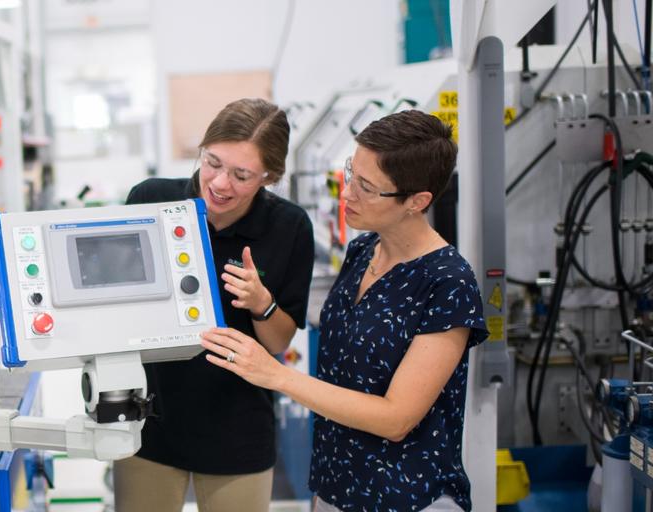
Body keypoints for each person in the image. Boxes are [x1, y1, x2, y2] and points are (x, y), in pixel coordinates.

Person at [200, 110, 486, 512]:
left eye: (367, 187)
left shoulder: (447, 283)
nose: (347, 193)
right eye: (351, 173)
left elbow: (396, 418)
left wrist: (275, 374)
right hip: (336, 488)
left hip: (406, 496)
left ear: (417, 201)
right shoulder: (363, 251)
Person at [116, 98, 315, 512]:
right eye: (212, 162)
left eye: (241, 175)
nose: (220, 183)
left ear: (269, 176)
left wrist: (261, 303)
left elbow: (279, 341)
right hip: (151, 421)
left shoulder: (289, 227)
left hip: (238, 429)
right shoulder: (151, 199)